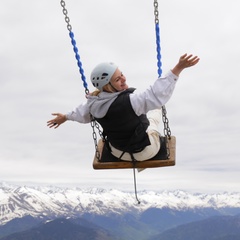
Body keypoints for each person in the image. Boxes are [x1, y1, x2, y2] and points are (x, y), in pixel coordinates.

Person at [47, 53, 199, 161]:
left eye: (122, 74)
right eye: (118, 79)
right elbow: (155, 95)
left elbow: (79, 113)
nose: (123, 79)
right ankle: (145, 150)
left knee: (145, 112)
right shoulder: (131, 101)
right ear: (108, 86)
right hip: (145, 152)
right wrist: (178, 68)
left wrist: (65, 117)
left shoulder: (92, 104)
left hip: (118, 152)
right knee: (154, 114)